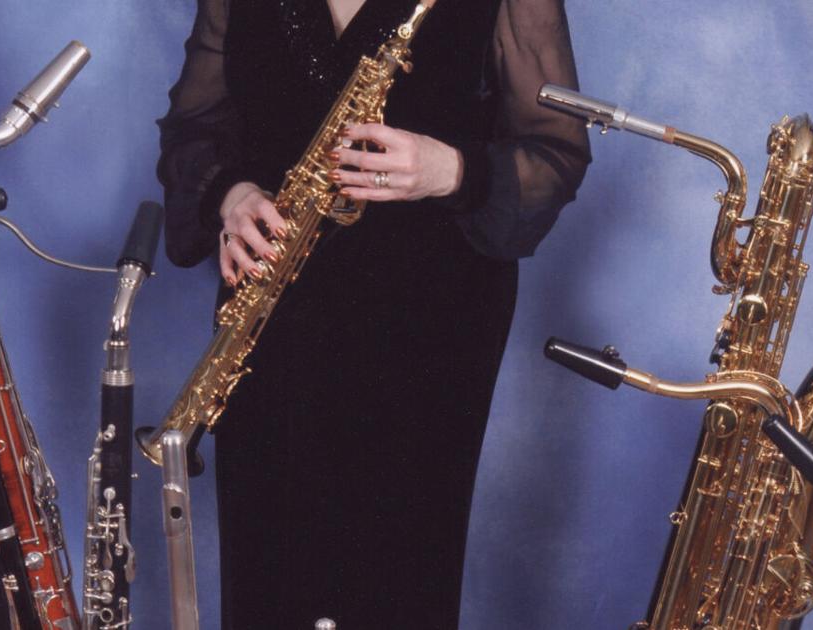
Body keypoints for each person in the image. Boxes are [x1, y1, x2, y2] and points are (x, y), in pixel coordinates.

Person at [156, 0, 590, 627]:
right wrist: (232, 195)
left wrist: (451, 169)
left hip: (430, 326)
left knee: (394, 575)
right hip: (271, 313)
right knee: (268, 569)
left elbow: (556, 153)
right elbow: (192, 130)